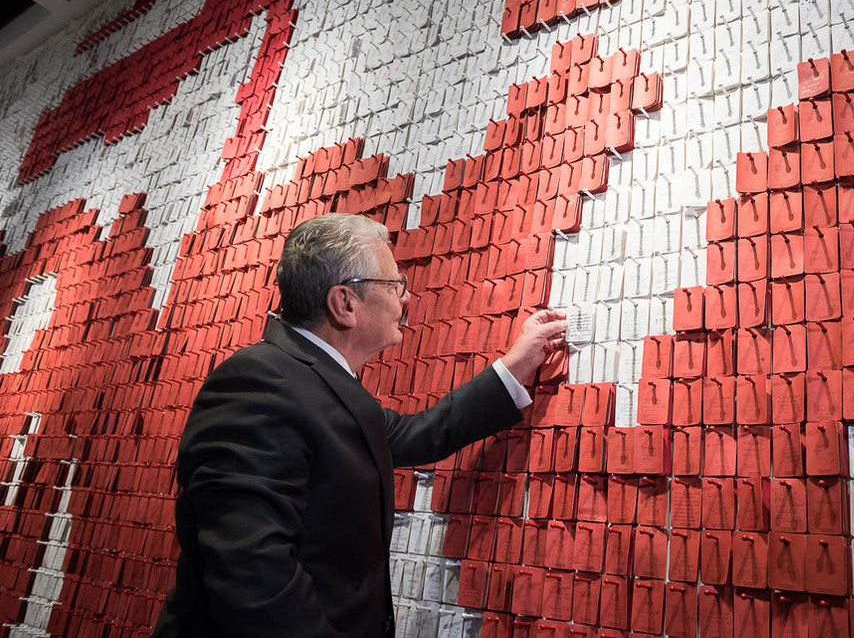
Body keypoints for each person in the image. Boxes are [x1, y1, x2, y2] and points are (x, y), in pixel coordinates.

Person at [153, 213, 568, 637]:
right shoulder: (255, 384)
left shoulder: (319, 382)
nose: (405, 299)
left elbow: (417, 435)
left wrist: (516, 364)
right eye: (394, 286)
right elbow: (255, 579)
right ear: (345, 304)